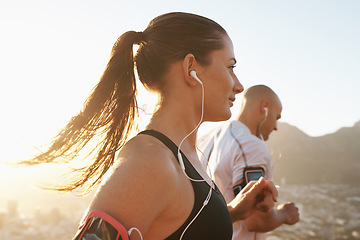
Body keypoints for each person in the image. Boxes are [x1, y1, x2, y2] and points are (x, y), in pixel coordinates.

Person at [23, 13, 278, 240]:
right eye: (230, 67)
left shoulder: (183, 154)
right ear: (191, 68)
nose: (239, 85)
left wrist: (231, 212)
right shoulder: (150, 163)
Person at [197, 85, 300, 240]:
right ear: (264, 107)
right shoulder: (250, 145)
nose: (276, 127)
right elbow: (254, 220)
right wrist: (285, 214)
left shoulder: (213, 136)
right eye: (276, 117)